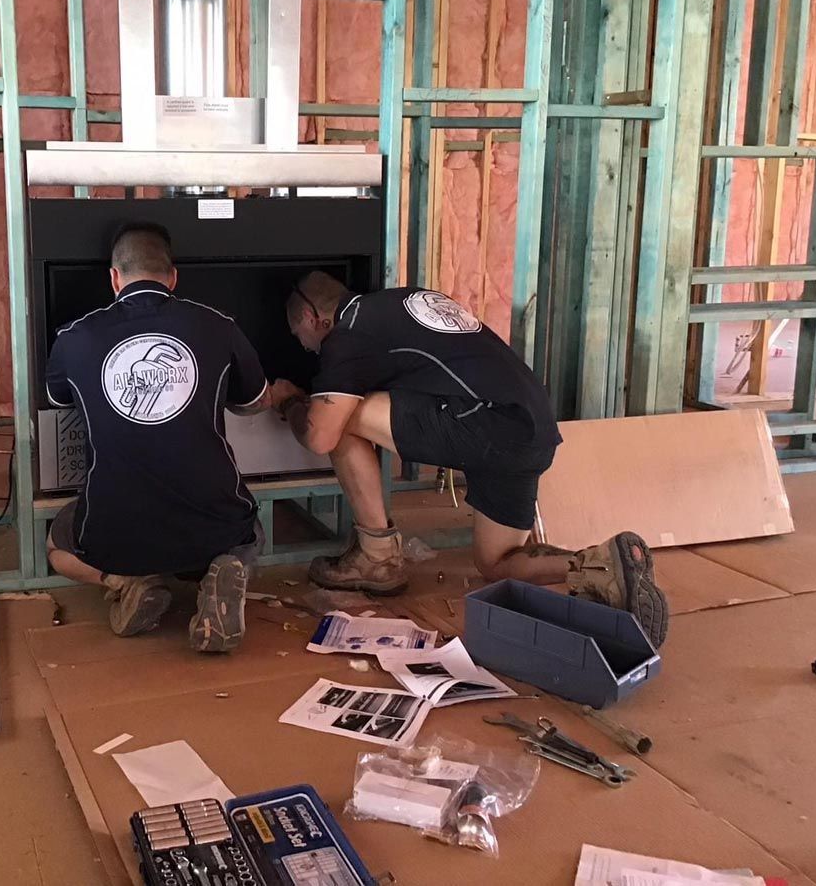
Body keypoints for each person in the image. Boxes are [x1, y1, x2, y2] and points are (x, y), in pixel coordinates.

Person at [269, 272, 669, 647]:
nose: (303, 345)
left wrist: (290, 402)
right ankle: (601, 567)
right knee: (496, 565)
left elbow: (321, 437)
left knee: (336, 418)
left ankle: (376, 558)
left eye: (297, 333)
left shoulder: (348, 335)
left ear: (312, 316)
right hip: (531, 427)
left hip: (487, 422)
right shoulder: (405, 299)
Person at [44, 223, 274, 652]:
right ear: (173, 277)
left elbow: (59, 400)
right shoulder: (218, 325)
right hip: (213, 524)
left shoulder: (73, 337)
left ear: (114, 278)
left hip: (112, 533)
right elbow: (255, 402)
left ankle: (125, 582)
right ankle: (223, 570)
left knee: (56, 545)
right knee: (250, 530)